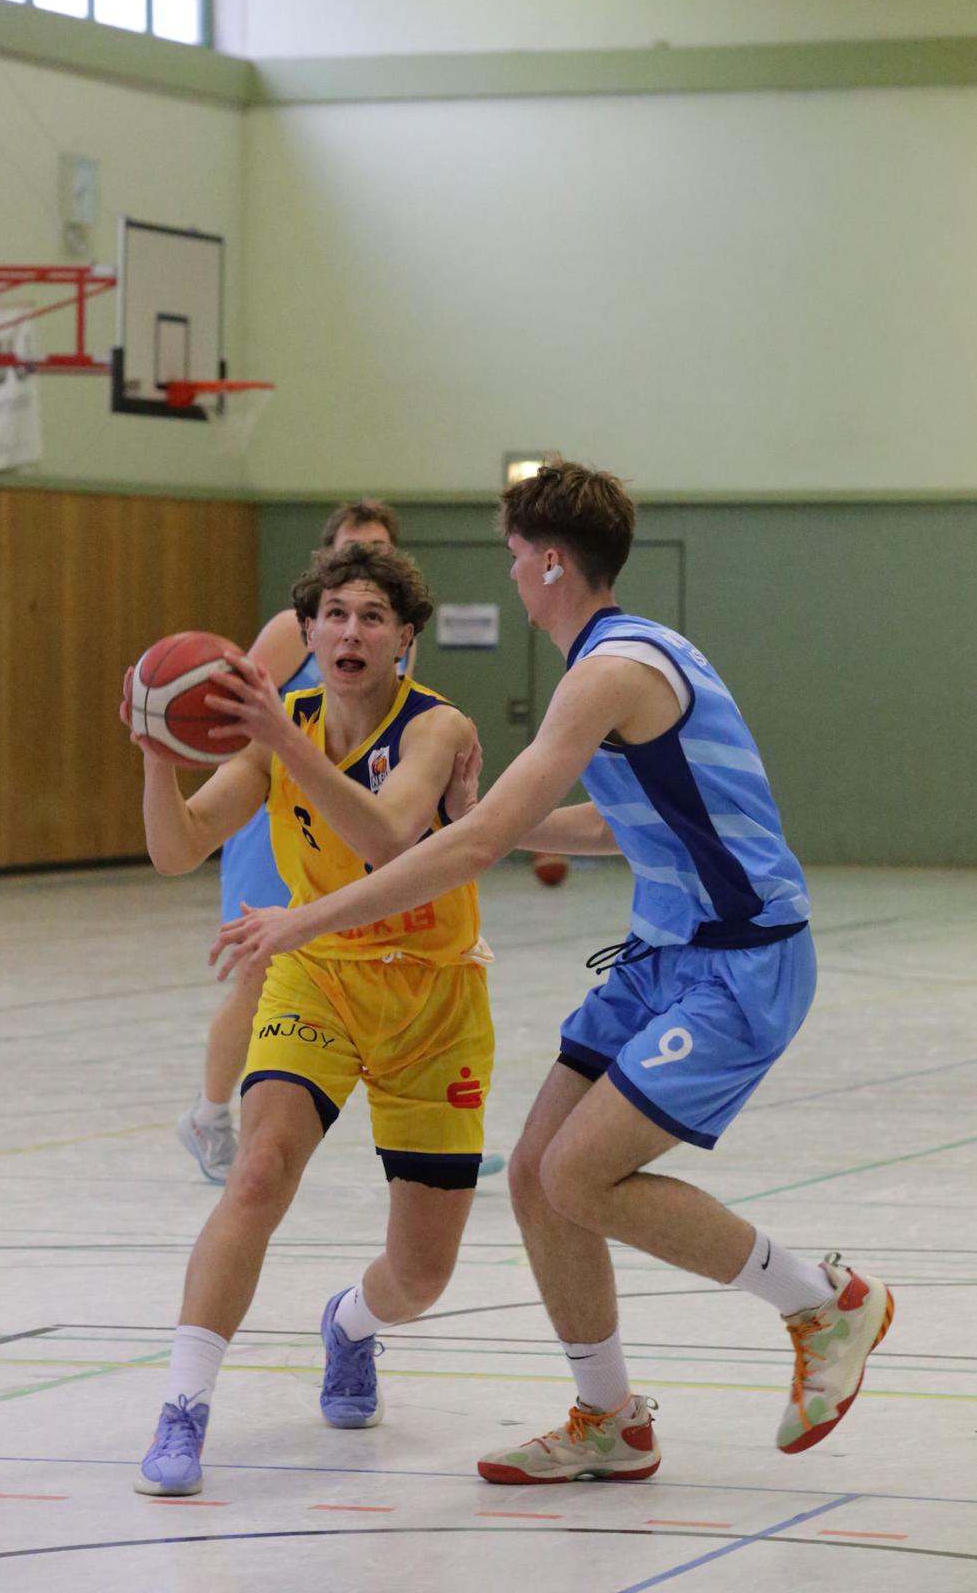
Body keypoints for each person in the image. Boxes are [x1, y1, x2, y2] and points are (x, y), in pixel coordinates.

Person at [211, 458, 894, 1483]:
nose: (512, 575)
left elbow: (475, 847)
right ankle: (610, 1417)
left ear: (546, 563)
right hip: (666, 952)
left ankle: (823, 1300)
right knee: (535, 1177)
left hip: (739, 962)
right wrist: (479, 820)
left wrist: (311, 916)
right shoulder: (625, 661)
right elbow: (615, 826)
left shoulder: (609, 670)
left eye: (513, 557)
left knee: (579, 1171)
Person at [125, 540, 493, 1497]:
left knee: (421, 1278)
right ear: (311, 632)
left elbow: (383, 832)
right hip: (318, 976)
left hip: (434, 1000)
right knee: (257, 1171)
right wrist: (159, 758)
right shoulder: (277, 727)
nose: (350, 632)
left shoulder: (436, 729)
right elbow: (179, 850)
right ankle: (183, 1409)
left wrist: (286, 745)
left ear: (404, 639)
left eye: (372, 616)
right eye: (334, 615)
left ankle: (352, 1326)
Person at [177, 500, 410, 1184]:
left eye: (380, 546)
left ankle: (425, 1122)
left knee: (376, 972)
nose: (368, 555)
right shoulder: (293, 628)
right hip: (275, 821)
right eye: (353, 545)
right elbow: (228, 710)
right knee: (260, 978)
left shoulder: (392, 632)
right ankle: (209, 1115)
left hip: (343, 827)